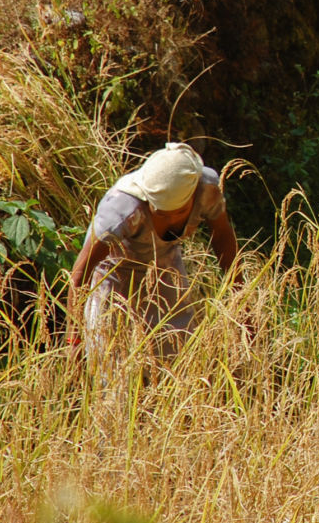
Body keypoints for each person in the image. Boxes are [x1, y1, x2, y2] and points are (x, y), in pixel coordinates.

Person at [68, 142, 238, 363]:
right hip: (114, 277)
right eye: (159, 212)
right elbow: (81, 272)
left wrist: (240, 296)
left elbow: (223, 237)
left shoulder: (205, 190)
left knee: (178, 357)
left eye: (177, 213)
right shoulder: (122, 209)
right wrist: (75, 338)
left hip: (164, 268)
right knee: (112, 365)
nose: (168, 220)